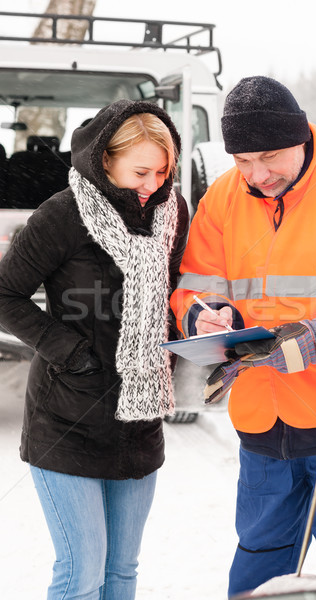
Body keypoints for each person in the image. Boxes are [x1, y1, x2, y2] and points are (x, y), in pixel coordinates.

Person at [170, 76, 316, 598]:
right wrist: (204, 315)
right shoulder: (225, 195)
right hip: (262, 423)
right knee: (258, 567)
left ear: (301, 138)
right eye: (243, 159)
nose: (257, 174)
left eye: (269, 156)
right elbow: (195, 284)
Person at [0, 99, 189, 599]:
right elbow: (5, 294)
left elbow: (174, 291)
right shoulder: (63, 215)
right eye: (141, 171)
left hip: (139, 421)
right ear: (106, 160)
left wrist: (195, 323)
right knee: (82, 573)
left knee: (122, 570)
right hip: (67, 418)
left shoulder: (172, 213)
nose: (154, 184)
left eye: (164, 171)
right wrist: (70, 351)